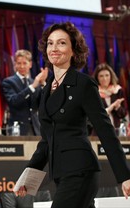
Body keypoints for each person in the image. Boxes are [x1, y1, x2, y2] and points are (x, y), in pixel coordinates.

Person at [14, 22, 130, 208]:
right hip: (60, 173)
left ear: (73, 50)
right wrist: (29, 175)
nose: (54, 48)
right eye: (50, 43)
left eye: (61, 43)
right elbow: (47, 140)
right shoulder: (46, 89)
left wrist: (125, 176)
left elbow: (105, 131)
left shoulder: (84, 84)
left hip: (80, 171)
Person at [2, 49, 48, 136]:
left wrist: (43, 85)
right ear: (15, 64)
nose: (22, 66)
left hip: (35, 129)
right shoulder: (8, 82)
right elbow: (14, 101)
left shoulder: (34, 82)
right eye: (19, 63)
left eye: (24, 63)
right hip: (17, 129)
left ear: (30, 64)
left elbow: (41, 104)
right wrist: (32, 87)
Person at [93, 63, 127, 128]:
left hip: (117, 129)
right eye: (101, 76)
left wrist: (118, 107)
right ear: (97, 78)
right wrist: (111, 107)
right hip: (100, 129)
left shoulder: (118, 90)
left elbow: (124, 113)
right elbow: (94, 115)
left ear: (111, 76)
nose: (104, 79)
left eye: (107, 75)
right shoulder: (93, 92)